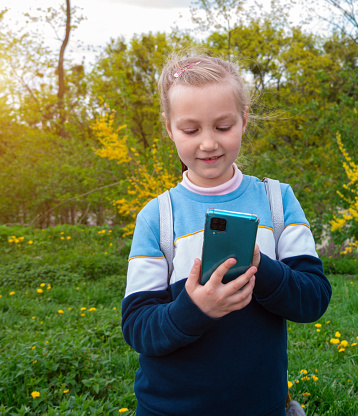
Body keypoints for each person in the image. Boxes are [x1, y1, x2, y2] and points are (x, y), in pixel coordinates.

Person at [121, 54, 332, 416]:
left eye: (223, 127)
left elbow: (313, 299)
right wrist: (195, 309)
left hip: (260, 406)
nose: (207, 144)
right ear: (169, 128)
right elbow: (139, 328)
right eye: (191, 130)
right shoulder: (158, 217)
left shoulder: (277, 201)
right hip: (168, 408)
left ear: (244, 120)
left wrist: (259, 268)